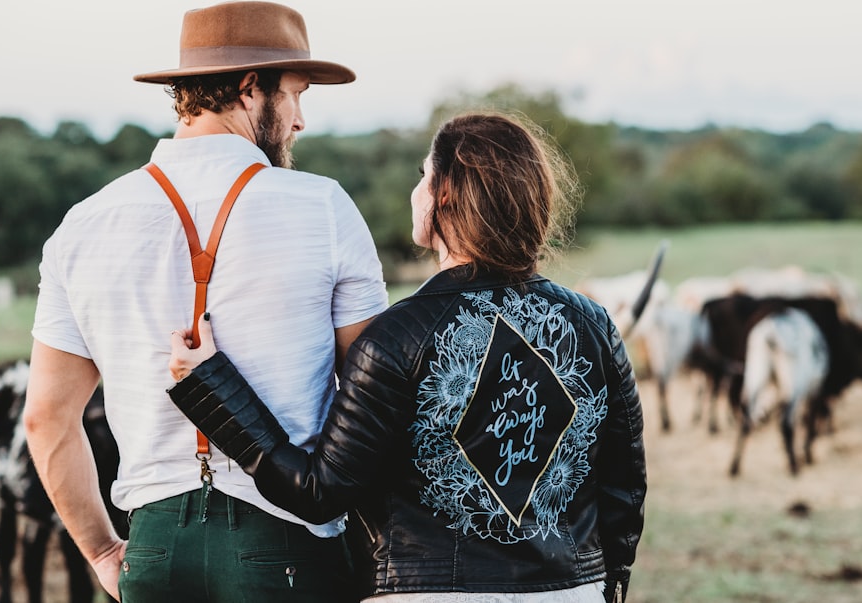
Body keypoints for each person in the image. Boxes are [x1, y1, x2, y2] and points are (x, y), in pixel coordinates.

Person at [168, 112, 648, 602]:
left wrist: (211, 384)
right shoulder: (594, 325)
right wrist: (606, 583)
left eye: (423, 175)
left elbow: (318, 493)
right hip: (573, 592)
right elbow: (623, 492)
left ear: (444, 194)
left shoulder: (394, 338)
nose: (416, 190)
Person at [24, 0, 388, 602]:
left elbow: (46, 419)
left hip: (156, 551)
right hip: (291, 546)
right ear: (250, 90)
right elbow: (373, 398)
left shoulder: (83, 225)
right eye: (297, 94)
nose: (300, 121)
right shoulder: (322, 207)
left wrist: (102, 551)